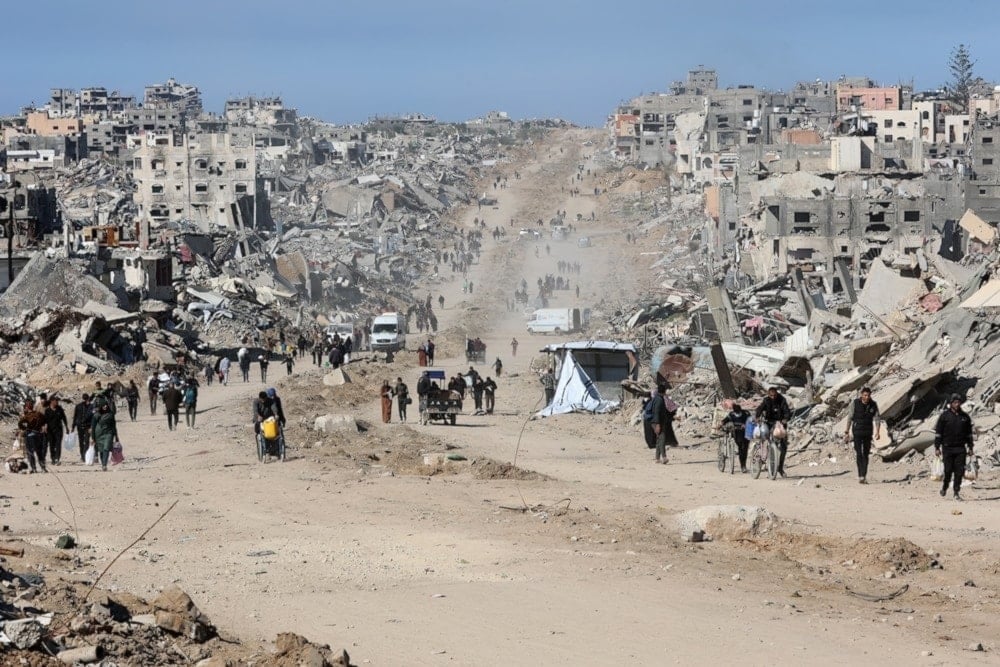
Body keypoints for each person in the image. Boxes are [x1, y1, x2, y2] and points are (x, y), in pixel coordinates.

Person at [934, 394, 974, 500]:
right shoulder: (944, 416)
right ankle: (945, 487)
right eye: (955, 402)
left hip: (960, 448)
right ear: (951, 403)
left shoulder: (965, 417)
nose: (957, 404)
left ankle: (956, 492)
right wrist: (937, 447)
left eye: (958, 402)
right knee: (948, 471)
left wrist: (970, 447)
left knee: (959, 471)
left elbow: (969, 434)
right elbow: (938, 433)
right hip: (947, 448)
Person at [844, 387, 881, 484]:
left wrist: (878, 431)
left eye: (868, 395)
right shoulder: (855, 403)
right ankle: (860, 474)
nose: (867, 397)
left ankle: (863, 475)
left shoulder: (873, 405)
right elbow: (850, 417)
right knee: (859, 453)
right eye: (865, 395)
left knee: (866, 454)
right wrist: (847, 431)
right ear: (861, 395)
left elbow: (877, 418)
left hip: (868, 432)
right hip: (857, 432)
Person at [755, 386, 792, 477]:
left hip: (779, 424)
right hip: (768, 422)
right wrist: (757, 416)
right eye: (771, 396)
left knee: (783, 446)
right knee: (765, 438)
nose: (773, 397)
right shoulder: (766, 400)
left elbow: (787, 411)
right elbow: (760, 408)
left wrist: (786, 419)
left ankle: (780, 468)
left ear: (777, 393)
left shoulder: (782, 400)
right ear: (768, 394)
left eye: (774, 395)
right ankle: (762, 457)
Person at [650, 383, 678, 464]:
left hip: (656, 422)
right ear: (664, 391)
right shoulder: (659, 400)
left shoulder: (657, 398)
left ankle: (657, 458)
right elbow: (657, 412)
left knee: (659, 440)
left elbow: (663, 413)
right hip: (658, 423)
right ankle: (664, 457)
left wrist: (673, 418)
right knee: (662, 439)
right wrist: (658, 424)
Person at [722, 402, 751, 473]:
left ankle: (743, 465)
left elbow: (751, 421)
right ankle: (743, 465)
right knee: (741, 448)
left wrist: (746, 425)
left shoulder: (746, 414)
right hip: (736, 433)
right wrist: (721, 424)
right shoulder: (731, 415)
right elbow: (725, 421)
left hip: (746, 433)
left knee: (745, 449)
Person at [90, 397, 118, 472]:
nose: (105, 406)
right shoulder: (96, 415)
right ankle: (103, 464)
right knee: (101, 450)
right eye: (103, 405)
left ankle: (104, 464)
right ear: (101, 406)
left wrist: (116, 436)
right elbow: (93, 426)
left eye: (106, 405)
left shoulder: (110, 414)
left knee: (106, 448)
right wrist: (93, 437)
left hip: (108, 433)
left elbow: (113, 425)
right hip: (99, 434)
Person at [18, 401, 46, 473]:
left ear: (27, 407)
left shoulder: (26, 416)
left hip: (29, 435)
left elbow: (20, 423)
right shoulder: (38, 414)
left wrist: (25, 429)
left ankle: (34, 468)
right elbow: (44, 421)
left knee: (30, 452)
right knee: (39, 452)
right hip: (39, 435)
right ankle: (43, 468)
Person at [44, 397, 68, 466]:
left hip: (59, 430)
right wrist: (45, 426)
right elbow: (45, 420)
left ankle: (57, 458)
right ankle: (53, 458)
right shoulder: (47, 410)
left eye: (57, 401)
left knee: (58, 444)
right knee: (52, 445)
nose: (57, 402)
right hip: (50, 430)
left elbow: (64, 418)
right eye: (55, 401)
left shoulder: (59, 409)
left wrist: (66, 427)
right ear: (51, 401)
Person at [72, 393, 93, 462]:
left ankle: (85, 455)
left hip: (87, 426)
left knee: (86, 441)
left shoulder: (91, 407)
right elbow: (75, 417)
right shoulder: (78, 406)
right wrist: (73, 426)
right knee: (81, 441)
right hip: (80, 426)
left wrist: (91, 427)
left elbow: (93, 418)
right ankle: (82, 455)